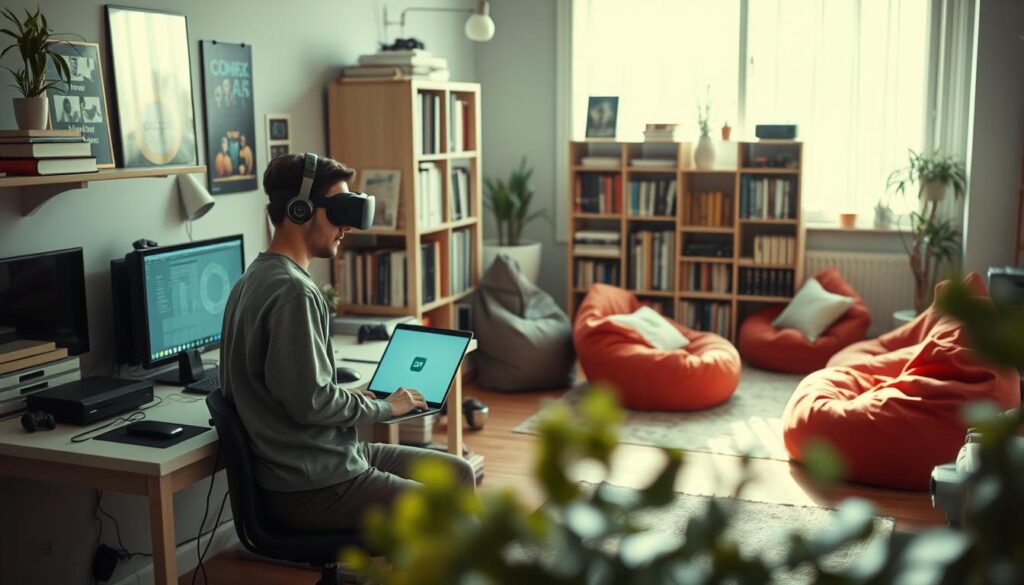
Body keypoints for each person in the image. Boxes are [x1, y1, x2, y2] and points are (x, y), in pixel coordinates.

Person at [220, 153, 475, 532]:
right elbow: (312, 404)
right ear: (301, 210)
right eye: (338, 212)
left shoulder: (253, 277)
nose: (347, 228)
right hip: (314, 484)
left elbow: (298, 392)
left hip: (329, 458)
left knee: (456, 471)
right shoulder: (294, 292)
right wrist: (388, 408)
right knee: (446, 510)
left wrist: (365, 399)